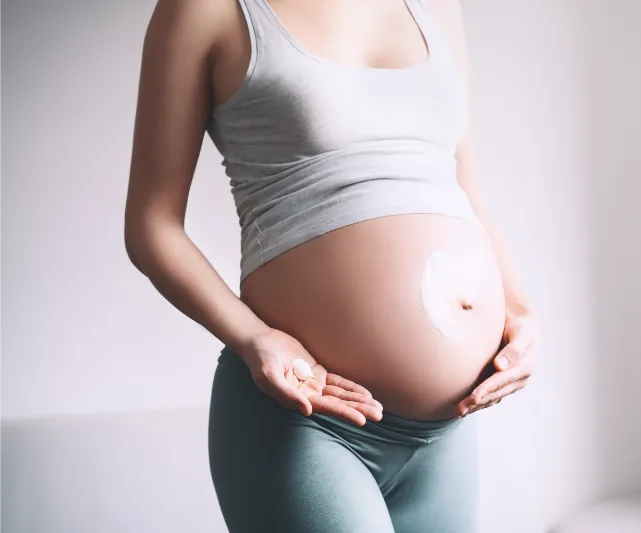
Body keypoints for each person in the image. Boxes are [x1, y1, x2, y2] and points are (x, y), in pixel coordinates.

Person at [124, 0, 539, 531]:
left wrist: (519, 308)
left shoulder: (437, 7)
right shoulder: (208, 8)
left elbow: (465, 190)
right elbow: (152, 226)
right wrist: (254, 338)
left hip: (446, 434)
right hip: (308, 421)